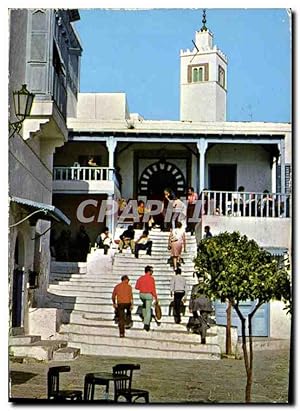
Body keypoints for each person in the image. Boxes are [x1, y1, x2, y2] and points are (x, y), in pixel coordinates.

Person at [189, 278, 213, 344]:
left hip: (197, 305)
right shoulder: (207, 287)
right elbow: (210, 296)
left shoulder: (195, 287)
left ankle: (201, 332)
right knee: (204, 321)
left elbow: (192, 297)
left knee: (200, 320)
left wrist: (190, 306)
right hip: (206, 305)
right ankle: (203, 335)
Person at [135, 265, 158, 331]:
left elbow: (137, 287)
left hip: (141, 294)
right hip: (148, 295)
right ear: (149, 271)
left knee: (144, 305)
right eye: (152, 271)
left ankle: (144, 317)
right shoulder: (151, 278)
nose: (152, 272)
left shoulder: (141, 278)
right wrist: (156, 297)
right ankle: (146, 323)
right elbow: (153, 289)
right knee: (148, 309)